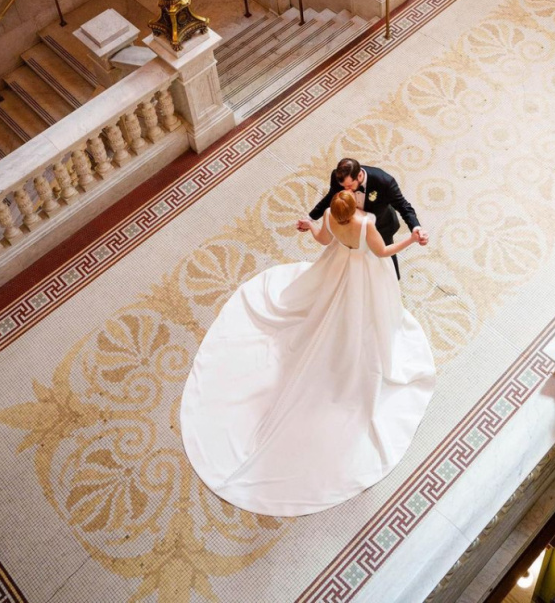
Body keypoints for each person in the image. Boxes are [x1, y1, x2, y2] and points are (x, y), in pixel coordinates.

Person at [180, 190, 435, 517]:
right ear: (352, 208)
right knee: (363, 316)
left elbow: (322, 239)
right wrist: (411, 240)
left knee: (325, 307)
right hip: (362, 275)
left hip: (335, 268)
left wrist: (309, 225)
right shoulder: (365, 224)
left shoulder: (330, 217)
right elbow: (383, 251)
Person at [299, 157, 428, 279]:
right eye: (343, 187)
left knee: (388, 257)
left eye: (349, 186)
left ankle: (393, 278)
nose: (346, 190)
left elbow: (403, 206)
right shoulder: (337, 176)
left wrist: (416, 227)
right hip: (352, 227)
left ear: (360, 175)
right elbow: (330, 198)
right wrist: (310, 218)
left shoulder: (384, 181)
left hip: (380, 226)